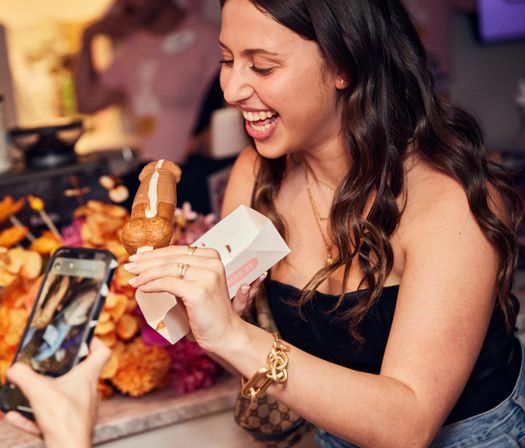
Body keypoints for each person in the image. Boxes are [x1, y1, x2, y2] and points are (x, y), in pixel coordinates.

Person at [7, 0, 525, 446]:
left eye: (263, 66)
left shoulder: (448, 201)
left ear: (344, 64)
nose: (231, 89)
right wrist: (205, 311)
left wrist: (236, 336)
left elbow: (407, 424)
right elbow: (252, 346)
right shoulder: (257, 176)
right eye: (228, 60)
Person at [74, 0, 220, 163]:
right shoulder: (131, 48)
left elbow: (230, 112)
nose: (125, 4)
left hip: (196, 169)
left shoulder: (209, 39)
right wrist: (88, 36)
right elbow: (87, 103)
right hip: (149, 169)